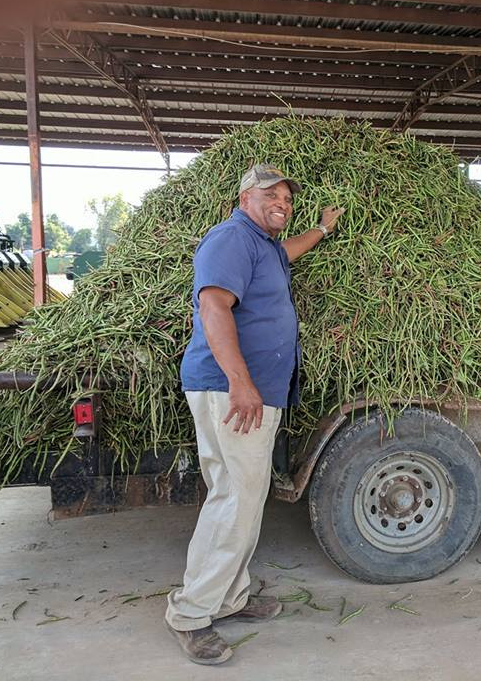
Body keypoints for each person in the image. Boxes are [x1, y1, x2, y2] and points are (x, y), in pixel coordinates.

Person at [165, 164, 344, 665]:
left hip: (251, 391)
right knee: (236, 501)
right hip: (234, 392)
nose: (282, 200)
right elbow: (214, 308)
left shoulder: (263, 246)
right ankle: (192, 614)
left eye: (287, 195)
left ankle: (227, 598)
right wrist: (241, 382)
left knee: (236, 496)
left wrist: (324, 228)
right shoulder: (230, 238)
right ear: (245, 196)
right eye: (271, 193)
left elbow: (288, 253)